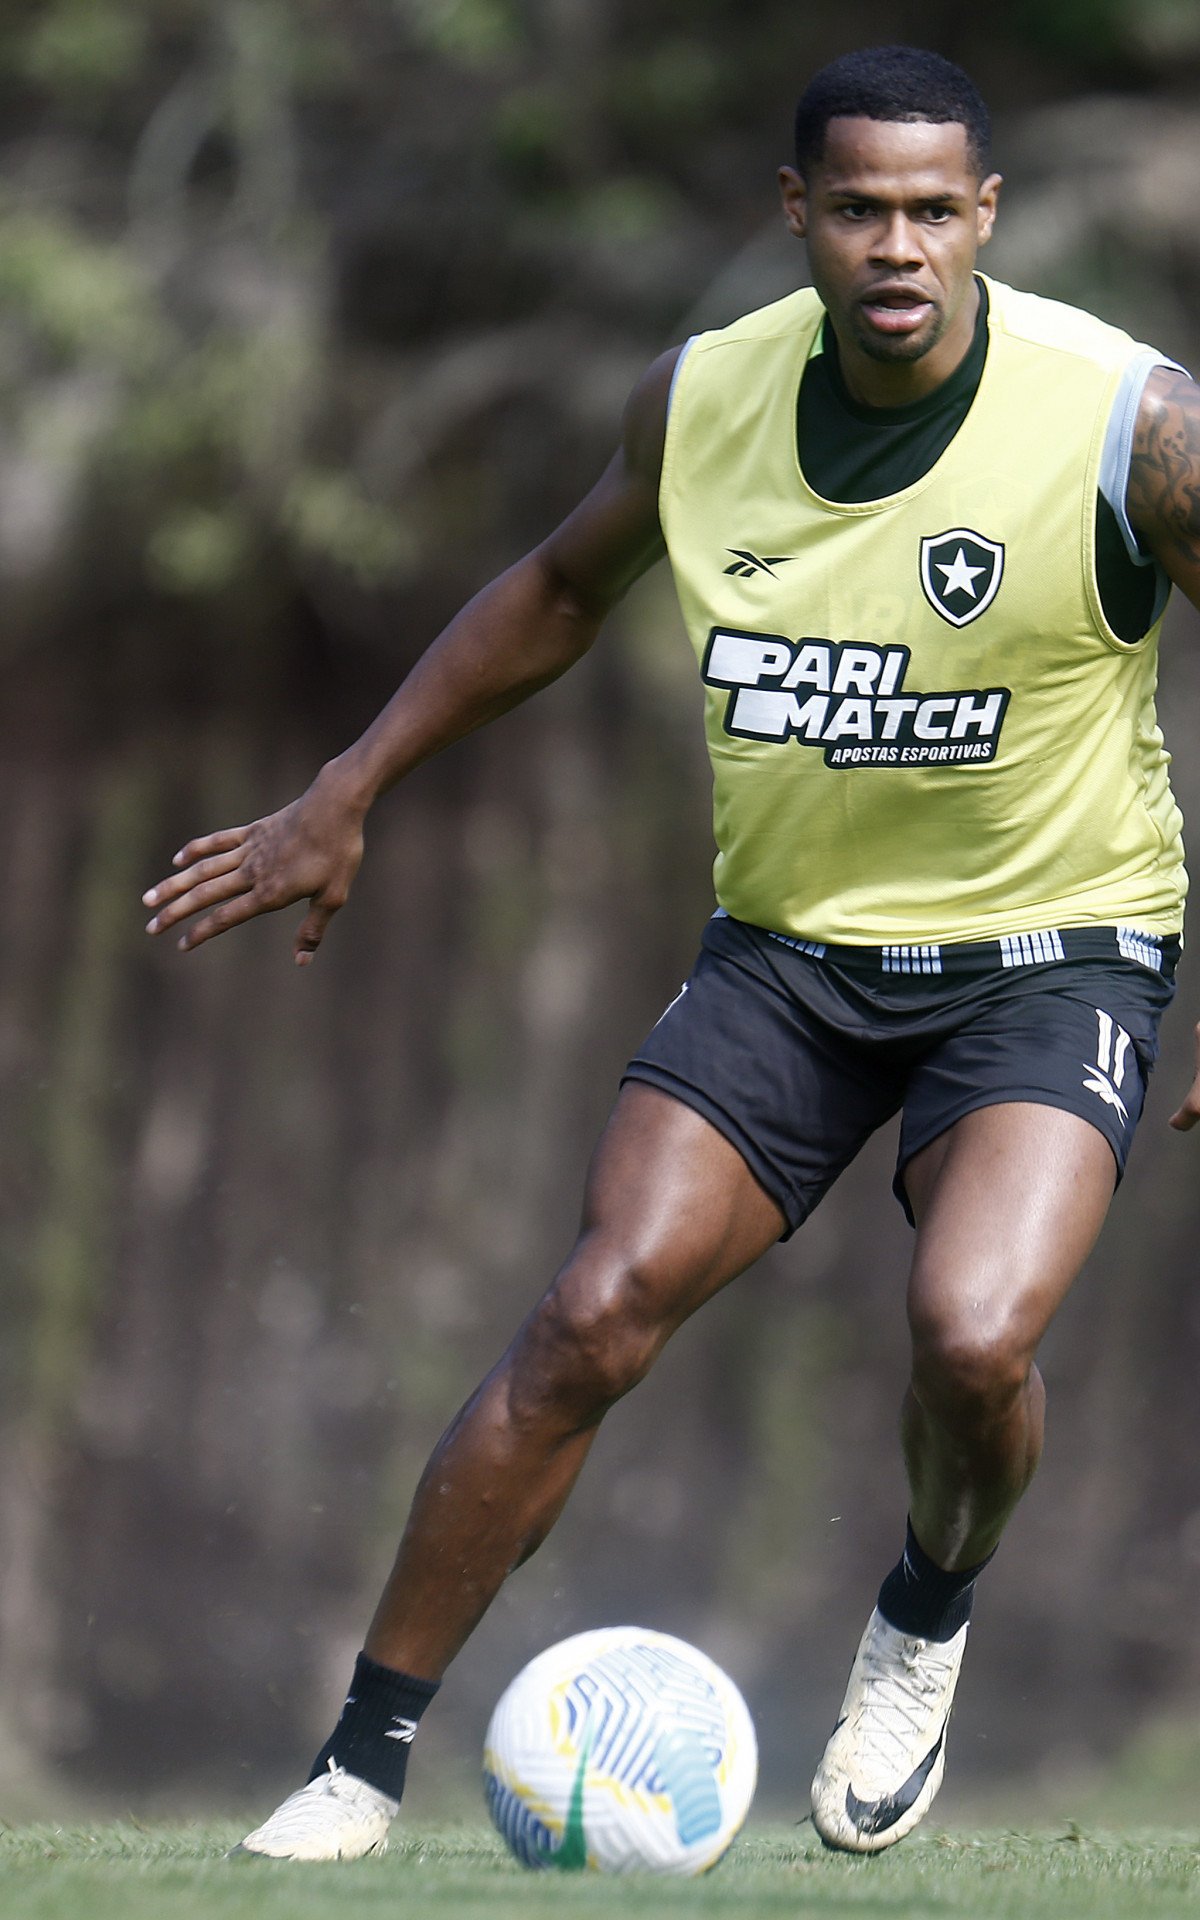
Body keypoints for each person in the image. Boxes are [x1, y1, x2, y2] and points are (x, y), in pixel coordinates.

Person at [144, 45, 1200, 1859]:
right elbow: (558, 588)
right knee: (590, 1311)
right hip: (787, 962)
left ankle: (926, 1616)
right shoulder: (700, 401)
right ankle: (358, 1766)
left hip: (1051, 953)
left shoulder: (1128, 422)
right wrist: (354, 780)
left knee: (969, 1333)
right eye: (859, 207)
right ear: (794, 213)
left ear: (987, 220)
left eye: (934, 210)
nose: (897, 246)